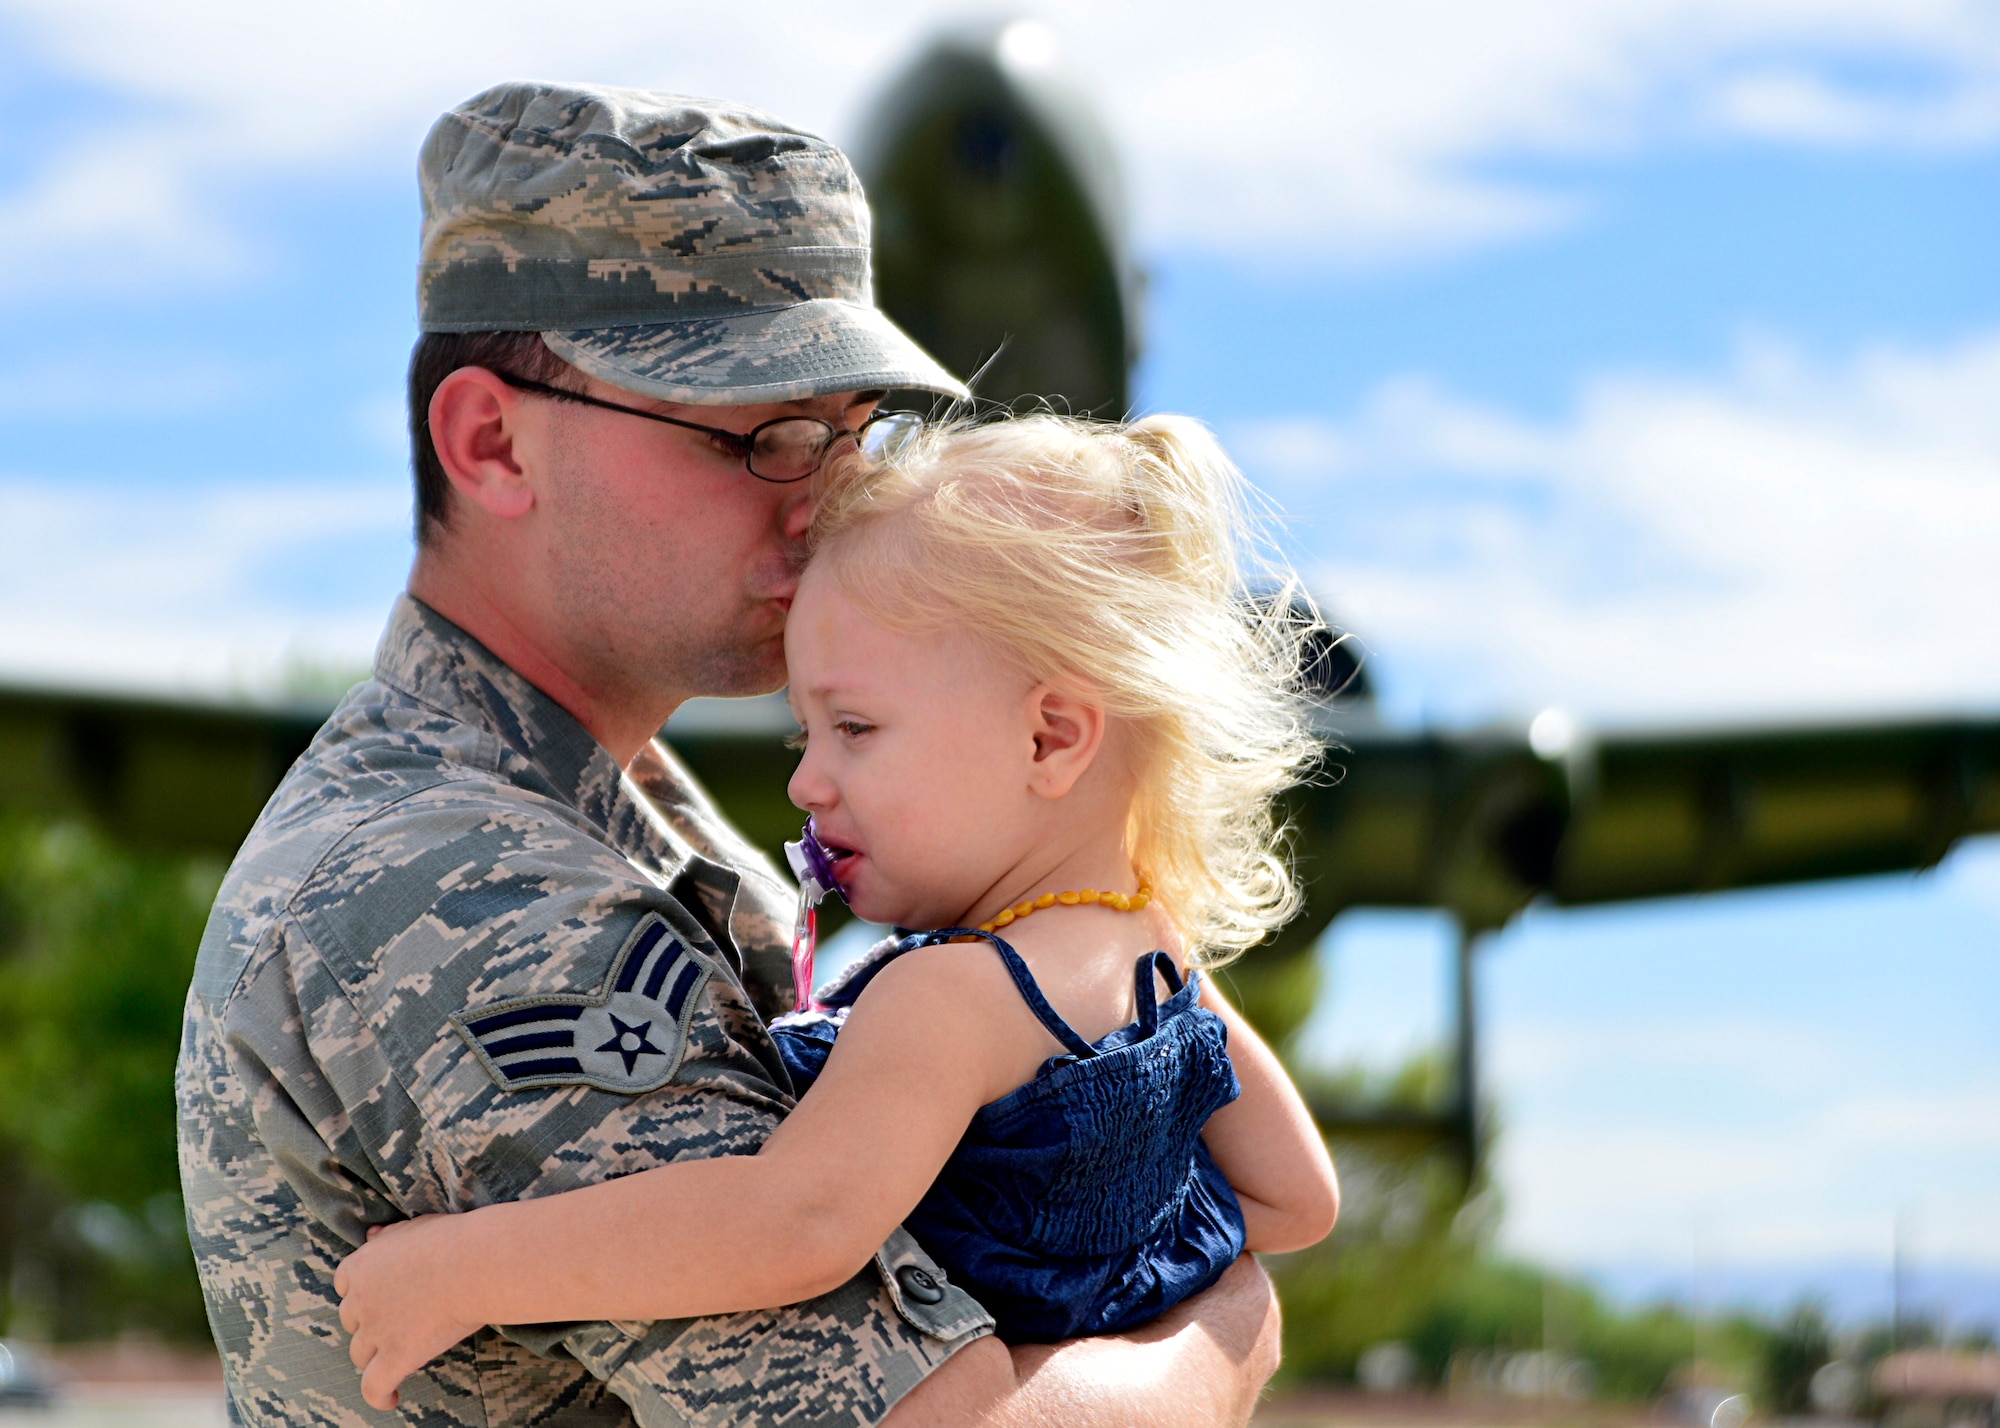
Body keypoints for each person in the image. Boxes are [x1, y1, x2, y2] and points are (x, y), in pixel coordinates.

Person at [176, 81, 1282, 1428]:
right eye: (758, 435)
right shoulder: (461, 887)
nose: (825, 507)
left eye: (847, 434)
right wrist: (1228, 1331)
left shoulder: (625, 802)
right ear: (491, 441)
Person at [332, 410, 1341, 1409]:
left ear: (1049, 740)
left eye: (853, 726)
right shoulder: (1159, 970)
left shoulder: (953, 998)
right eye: (803, 736)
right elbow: (1294, 1200)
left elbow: (792, 1226)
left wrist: (462, 1271)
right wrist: (1142, 1319)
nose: (810, 783)